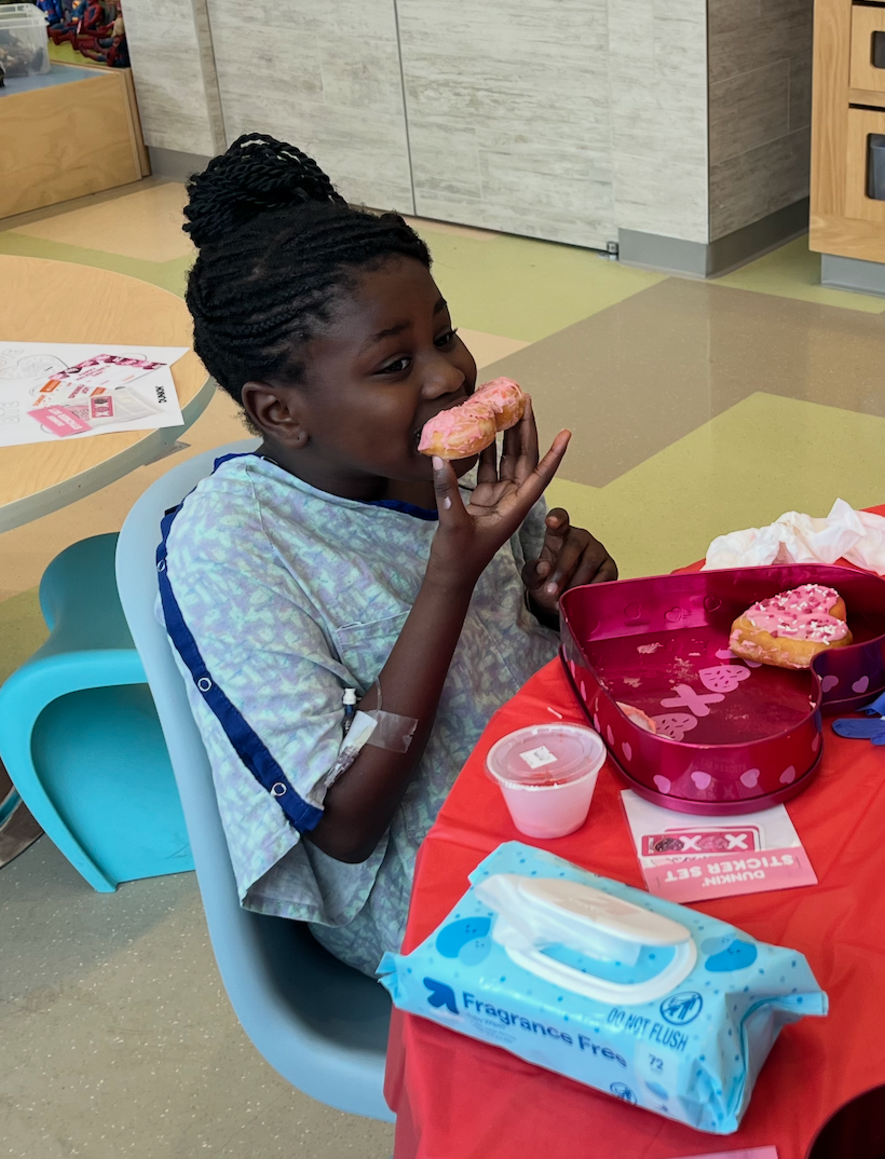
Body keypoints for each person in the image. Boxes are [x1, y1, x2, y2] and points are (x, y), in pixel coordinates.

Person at [163, 134, 618, 974]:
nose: (448, 377)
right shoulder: (233, 546)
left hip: (559, 791)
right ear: (280, 411)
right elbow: (343, 825)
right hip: (431, 890)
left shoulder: (442, 468)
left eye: (445, 336)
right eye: (396, 363)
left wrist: (561, 600)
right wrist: (450, 579)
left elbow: (529, 648)